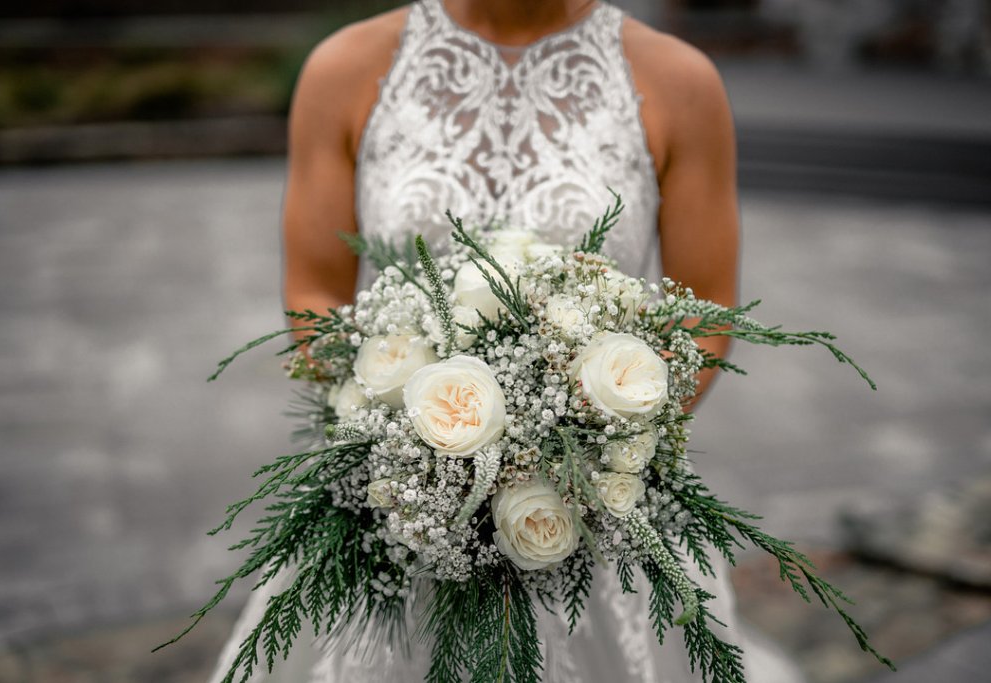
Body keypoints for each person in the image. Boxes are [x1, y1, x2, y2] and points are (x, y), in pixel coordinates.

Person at [209, 1, 803, 680]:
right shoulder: (344, 69)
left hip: (598, 512)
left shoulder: (680, 81)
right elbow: (315, 292)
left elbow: (705, 306)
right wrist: (414, 458)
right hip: (397, 511)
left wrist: (583, 451)